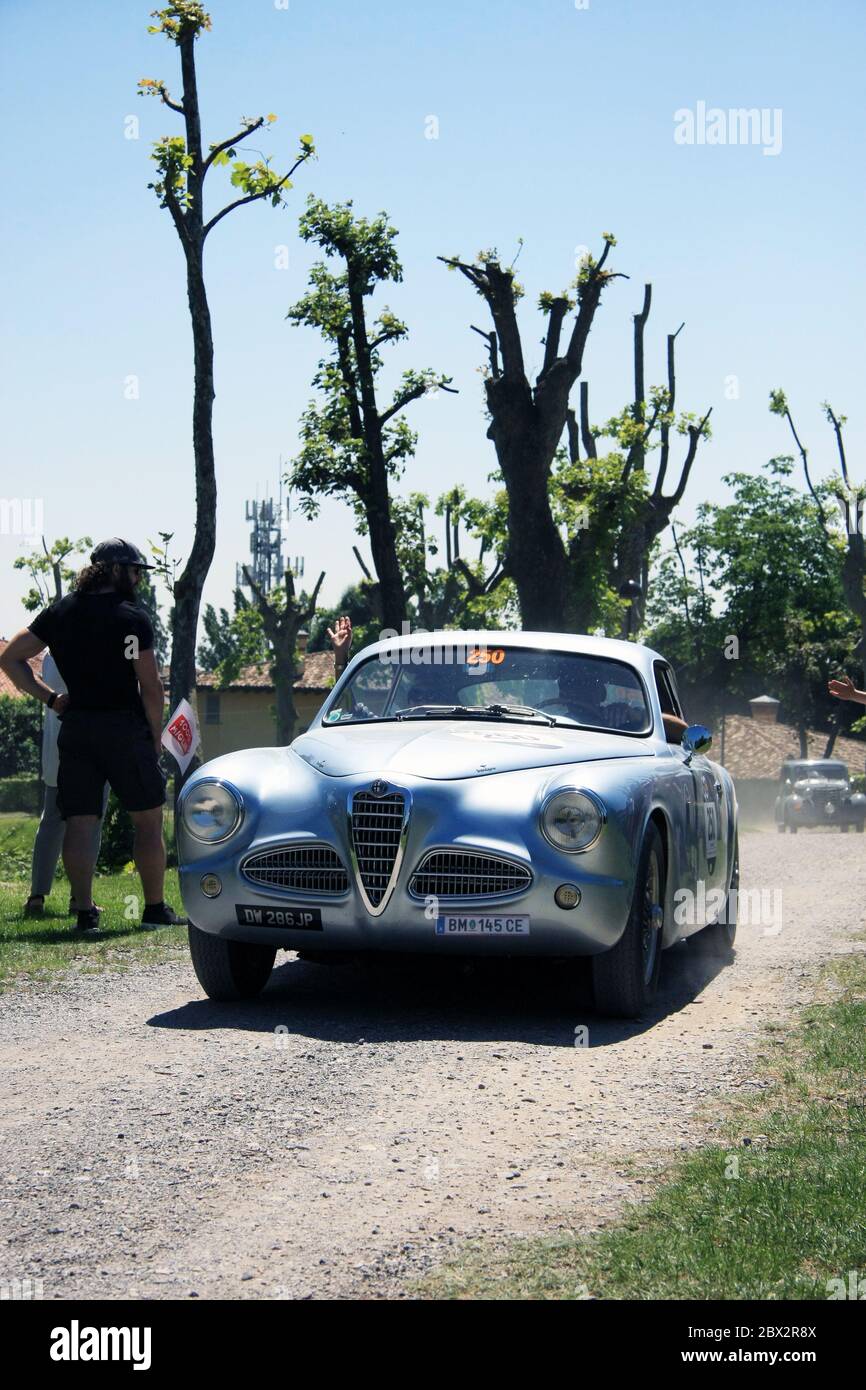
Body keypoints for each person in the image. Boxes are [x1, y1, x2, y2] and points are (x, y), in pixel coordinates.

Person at [0, 538, 186, 939]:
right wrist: (156, 736)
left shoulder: (61, 613)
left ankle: (85, 914)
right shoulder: (131, 619)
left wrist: (50, 699)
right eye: (135, 571)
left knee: (81, 822)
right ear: (116, 570)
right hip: (124, 729)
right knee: (149, 820)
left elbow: (10, 657)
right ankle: (154, 909)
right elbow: (150, 685)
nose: (138, 578)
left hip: (79, 728)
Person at [23, 650, 109, 918]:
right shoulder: (94, 646)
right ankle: (79, 897)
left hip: (57, 752)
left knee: (51, 823)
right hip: (91, 745)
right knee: (91, 822)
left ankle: (37, 896)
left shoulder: (51, 654)